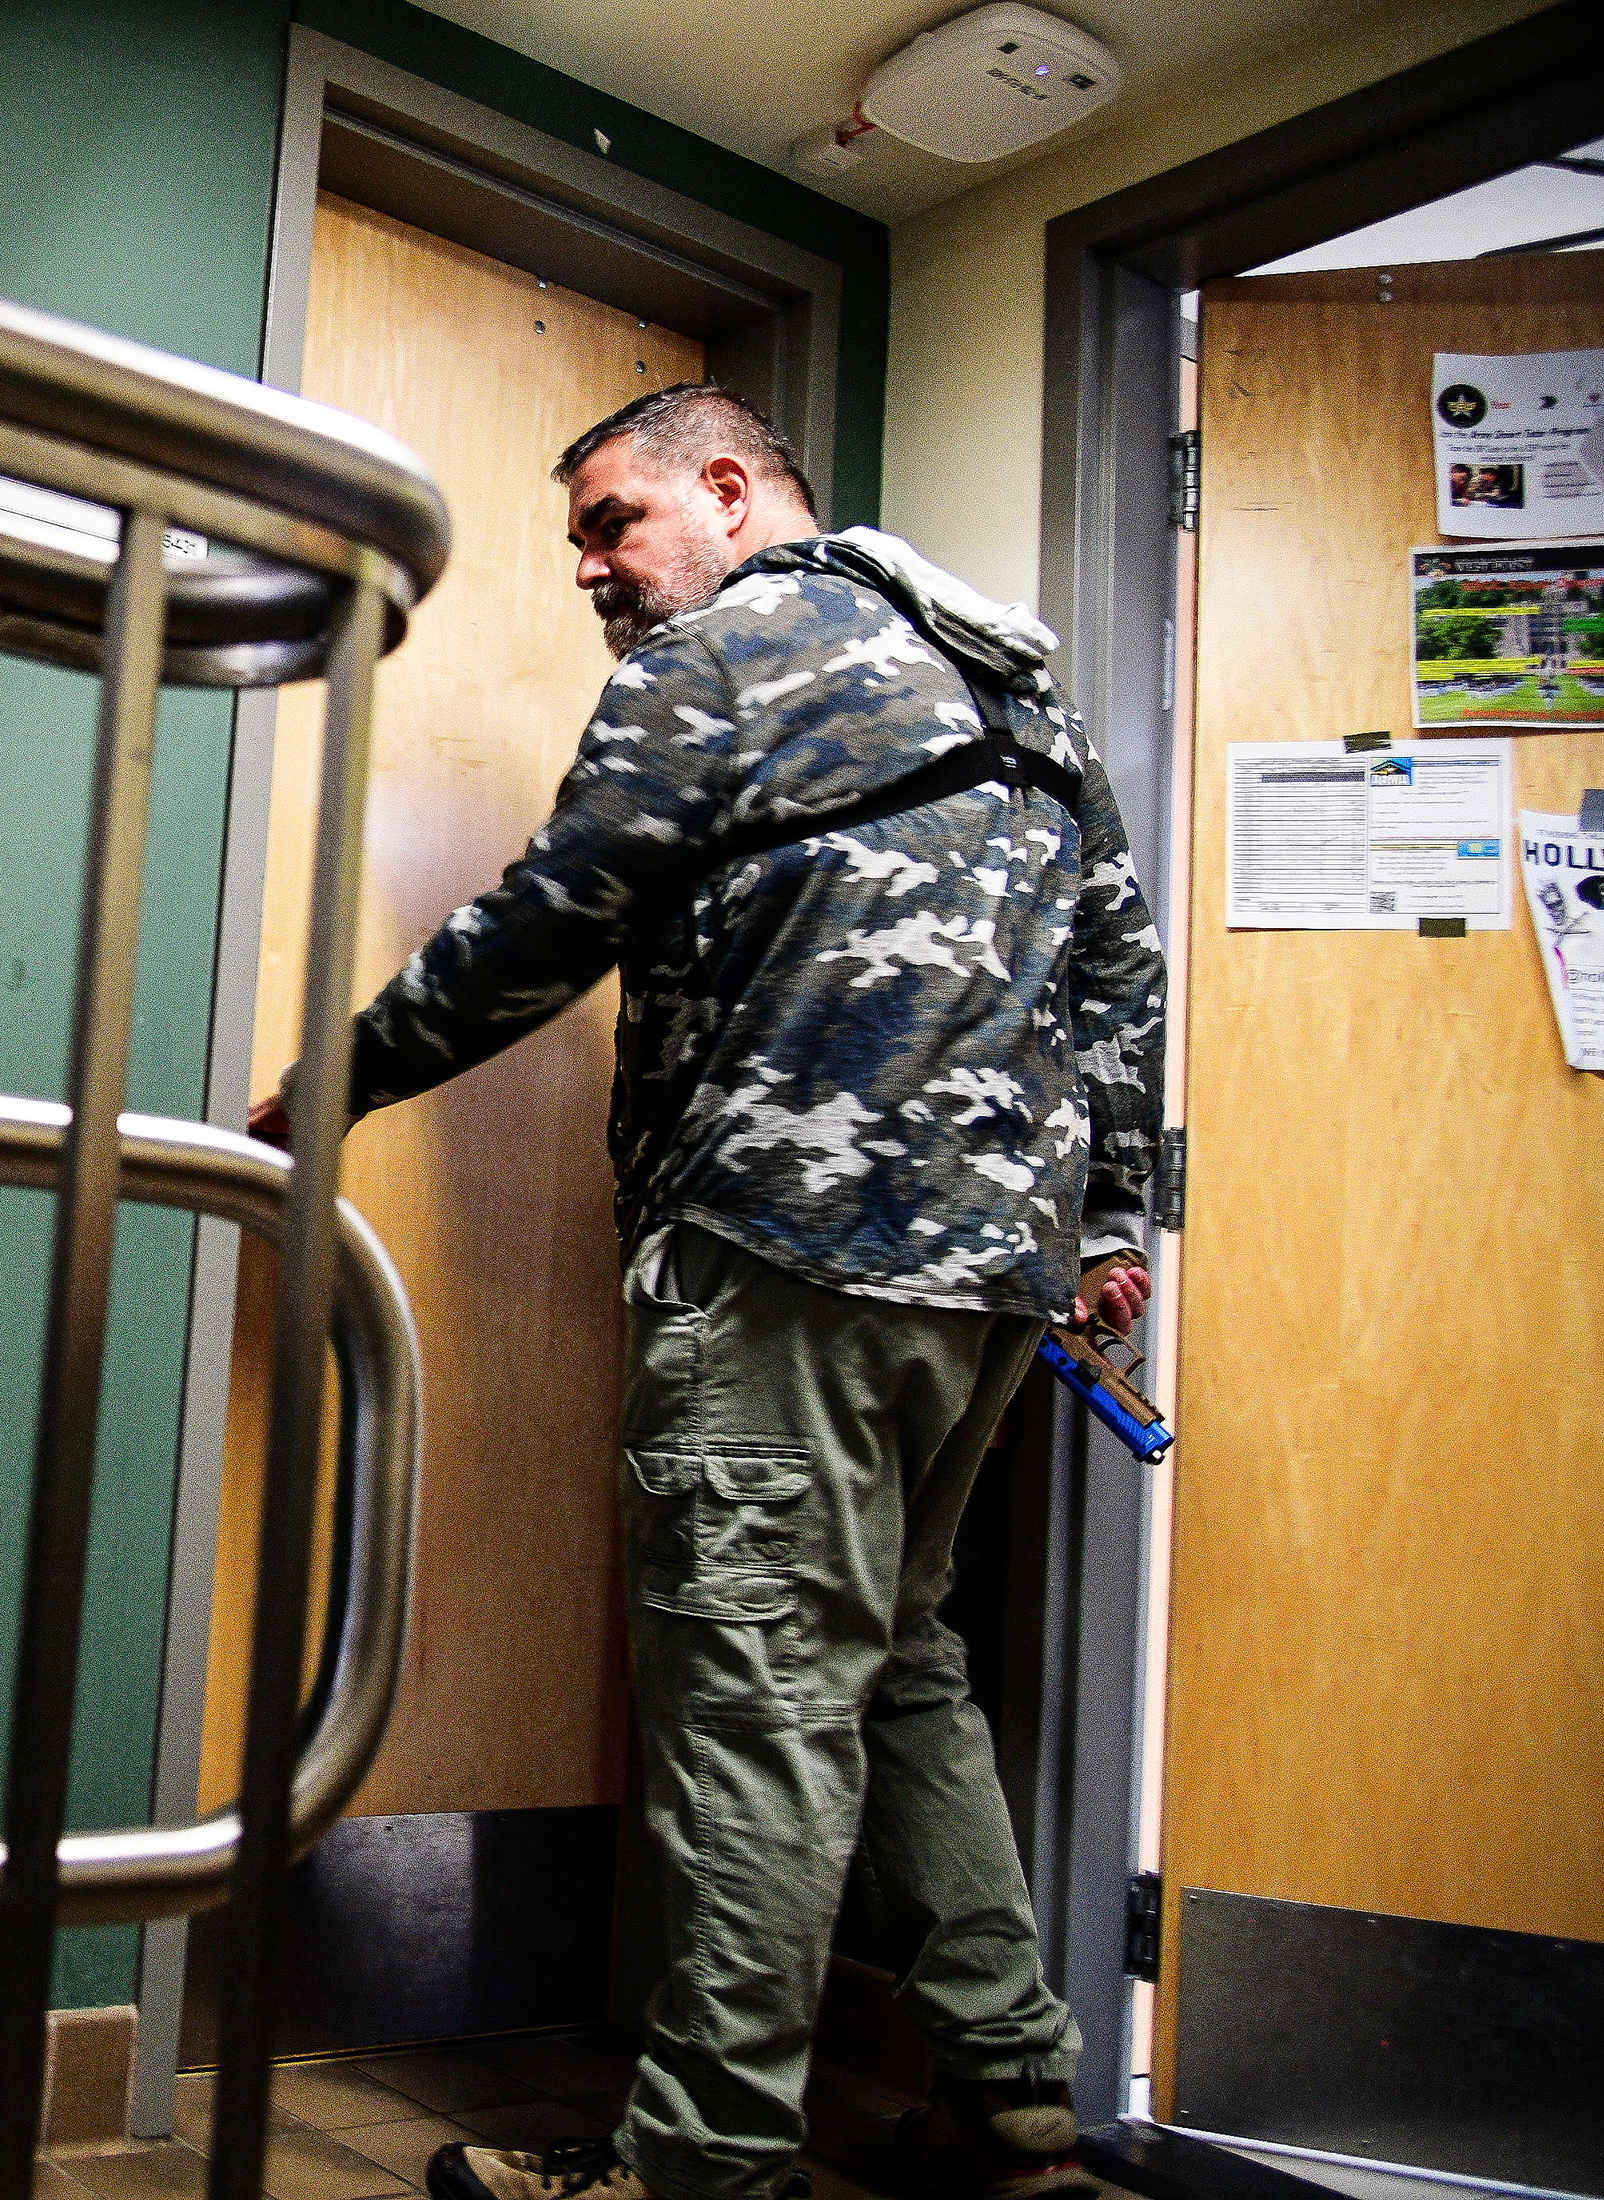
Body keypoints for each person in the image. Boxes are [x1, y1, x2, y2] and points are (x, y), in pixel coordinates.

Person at [249, 384, 1164, 2200]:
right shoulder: (1012, 670)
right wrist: (1110, 1221)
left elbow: (557, 908)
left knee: (754, 1701)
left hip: (788, 1250)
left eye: (610, 521)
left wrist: (339, 1080)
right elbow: (1113, 962)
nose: (592, 568)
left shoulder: (730, 647)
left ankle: (703, 2168)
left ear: (730, 489)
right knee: (900, 1665)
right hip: (996, 1273)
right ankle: (1012, 2099)